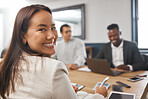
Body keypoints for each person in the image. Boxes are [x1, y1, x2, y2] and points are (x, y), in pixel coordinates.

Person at [0, 4, 107, 99]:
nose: (52, 35)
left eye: (53, 27)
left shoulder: (5, 64)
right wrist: (99, 96)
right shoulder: (54, 68)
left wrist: (63, 88)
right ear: (23, 36)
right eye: (42, 29)